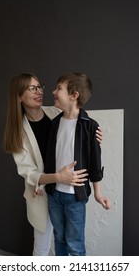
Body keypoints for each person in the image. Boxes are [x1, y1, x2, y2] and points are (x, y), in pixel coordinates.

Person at [3, 72, 103, 256]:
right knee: (43, 247)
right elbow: (29, 172)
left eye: (39, 86)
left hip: (68, 191)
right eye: (32, 88)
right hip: (40, 192)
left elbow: (80, 123)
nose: (39, 91)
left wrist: (94, 135)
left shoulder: (56, 113)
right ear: (19, 96)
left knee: (71, 241)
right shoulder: (17, 132)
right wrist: (55, 177)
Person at [45, 72, 110, 256]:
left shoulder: (90, 126)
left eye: (59, 88)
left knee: (75, 244)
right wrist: (41, 184)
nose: (54, 91)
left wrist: (98, 193)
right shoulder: (54, 124)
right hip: (54, 195)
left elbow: (95, 163)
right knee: (59, 238)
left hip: (75, 198)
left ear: (74, 96)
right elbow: (49, 157)